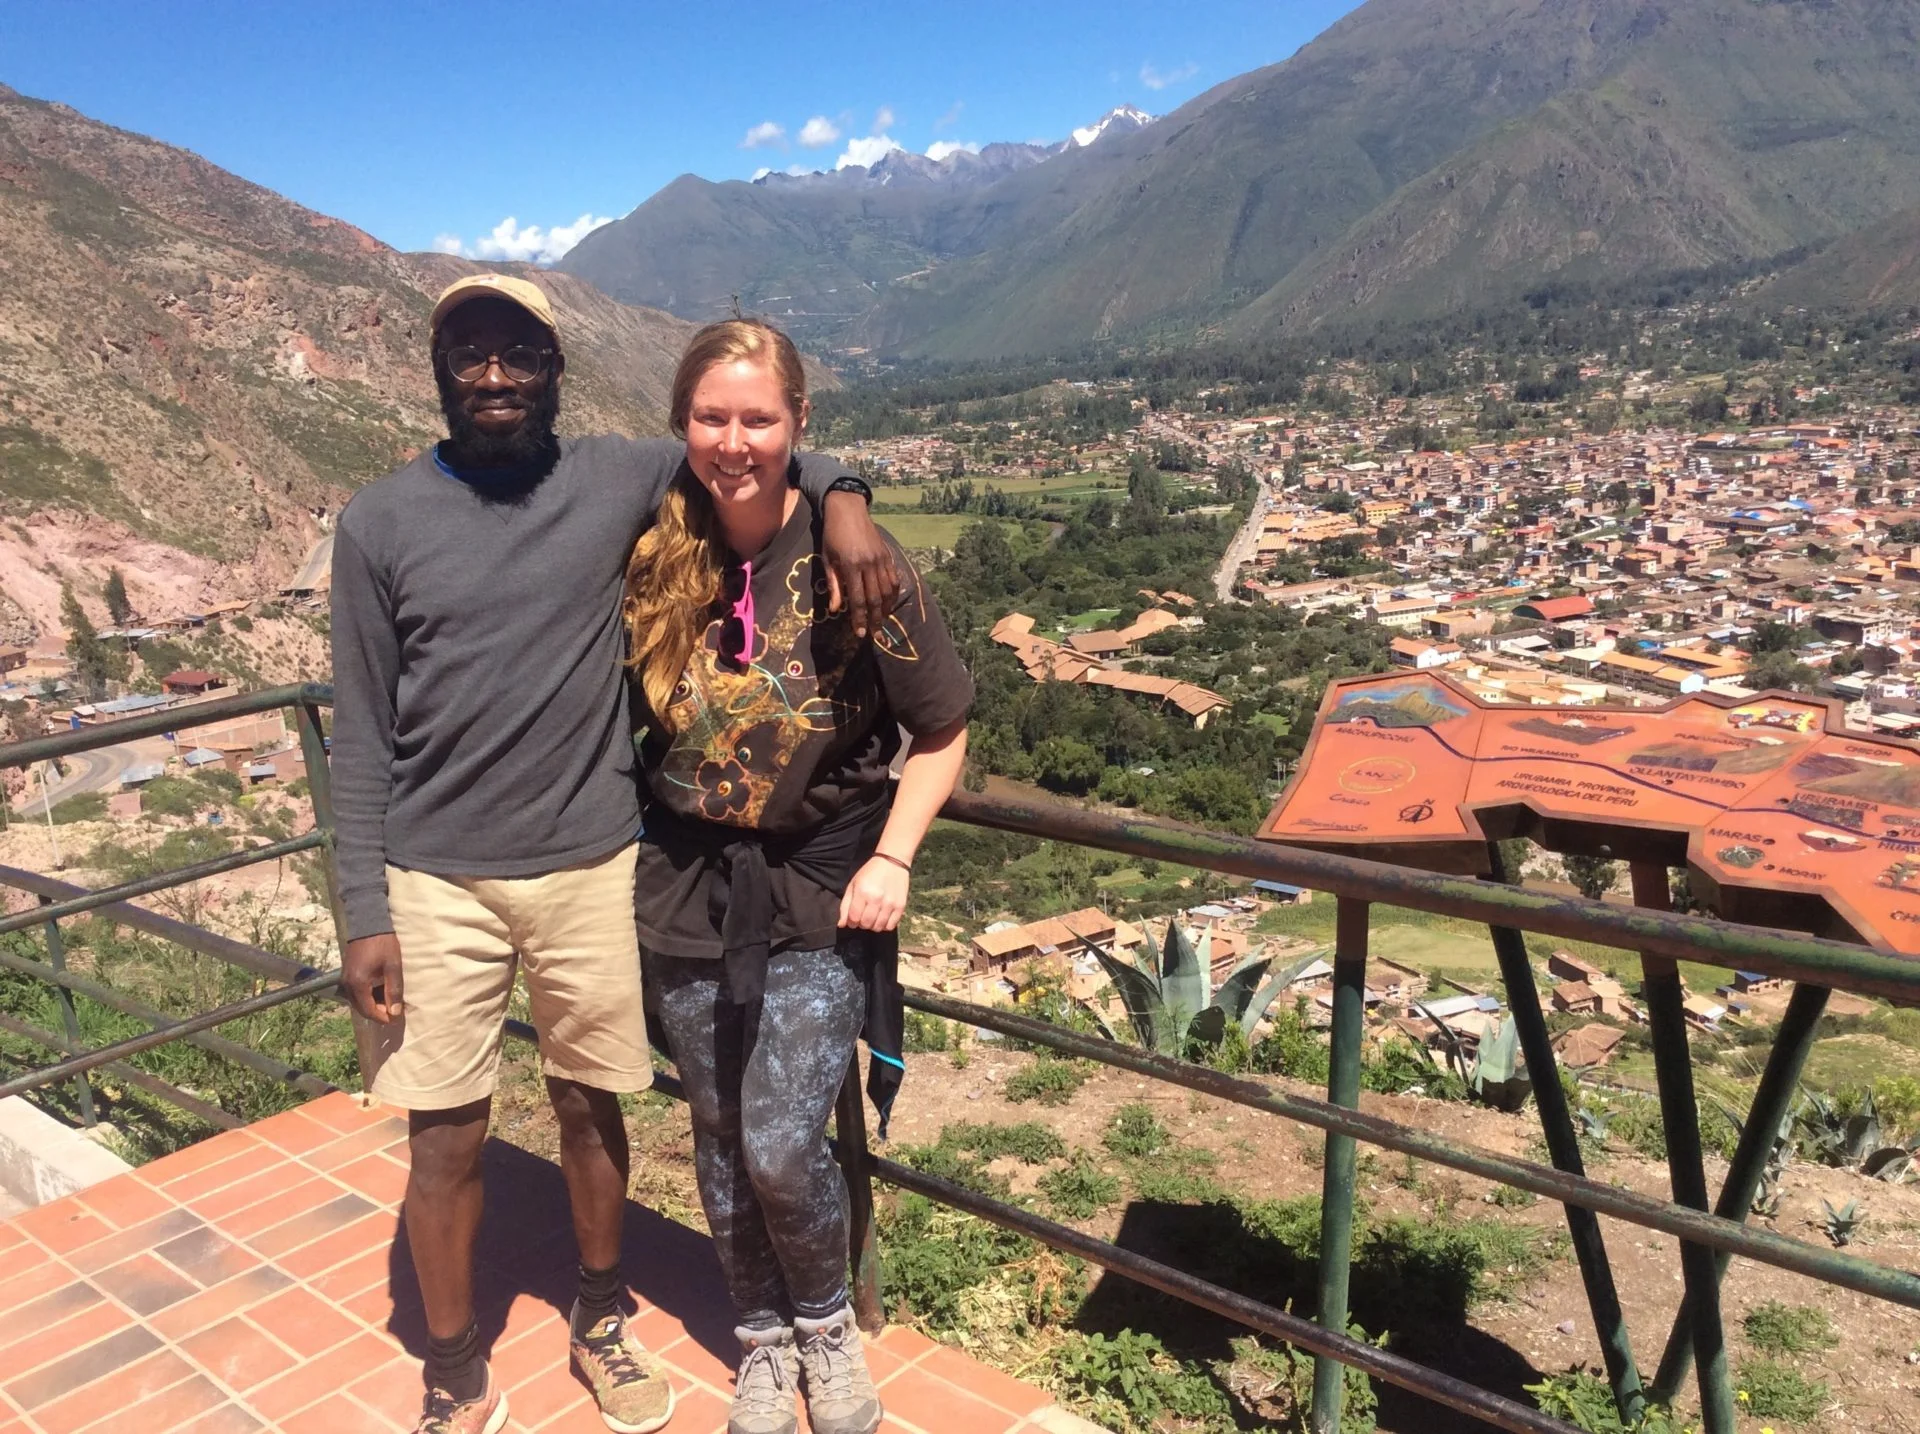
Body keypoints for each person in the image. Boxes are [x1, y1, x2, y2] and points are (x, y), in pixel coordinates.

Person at [330, 275, 897, 1434]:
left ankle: (600, 1318)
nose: (494, 374)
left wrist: (848, 500)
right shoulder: (378, 522)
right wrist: (361, 910)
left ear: (553, 368)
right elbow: (361, 731)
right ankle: (450, 1366)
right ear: (440, 369)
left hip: (594, 863)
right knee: (443, 1133)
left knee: (594, 1110)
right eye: (470, 352)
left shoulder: (611, 476)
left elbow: (756, 448)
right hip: (436, 878)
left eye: (519, 353)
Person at [624, 318, 971, 1434]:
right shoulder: (649, 542)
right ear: (682, 424)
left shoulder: (856, 562)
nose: (736, 441)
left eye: (760, 419)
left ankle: (824, 1328)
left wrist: (894, 854)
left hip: (820, 886)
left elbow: (947, 727)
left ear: (800, 424)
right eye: (713, 417)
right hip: (684, 882)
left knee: (781, 1137)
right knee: (719, 1133)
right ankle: (760, 1342)